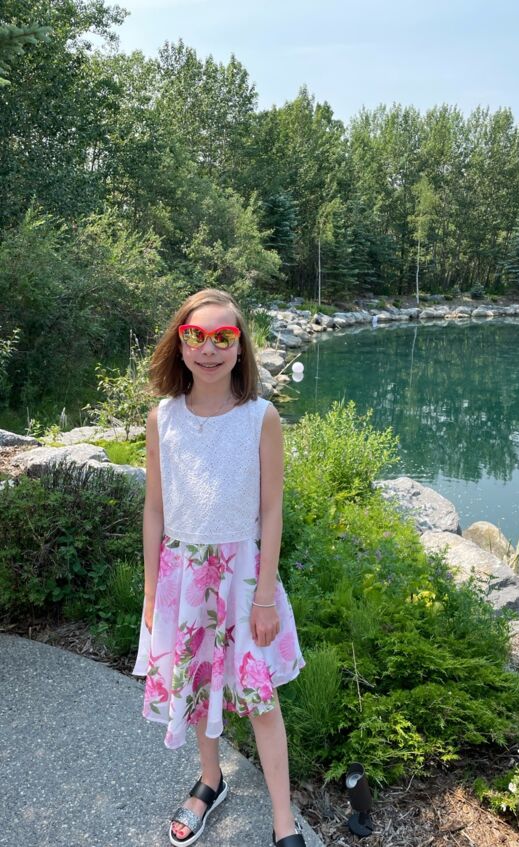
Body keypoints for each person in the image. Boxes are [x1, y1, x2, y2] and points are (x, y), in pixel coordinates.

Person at [133, 289, 306, 847]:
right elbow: (155, 509)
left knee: (260, 699)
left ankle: (284, 821)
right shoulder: (163, 418)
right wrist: (151, 593)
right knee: (195, 684)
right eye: (196, 336)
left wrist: (263, 598)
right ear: (180, 344)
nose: (208, 349)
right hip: (183, 578)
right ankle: (210, 780)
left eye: (222, 337)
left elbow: (272, 510)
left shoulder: (260, 417)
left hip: (244, 580)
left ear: (239, 347)